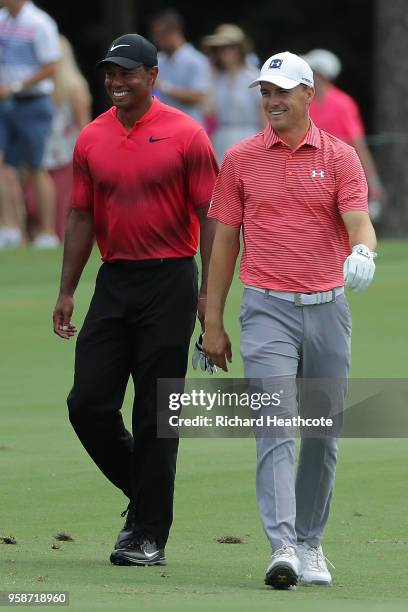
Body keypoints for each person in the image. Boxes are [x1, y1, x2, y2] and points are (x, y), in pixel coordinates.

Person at [202, 52, 377, 589]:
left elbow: (359, 223)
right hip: (265, 310)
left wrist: (364, 254)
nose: (272, 101)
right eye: (265, 92)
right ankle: (282, 546)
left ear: (308, 94)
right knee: (273, 426)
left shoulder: (341, 157)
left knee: (323, 432)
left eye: (282, 91)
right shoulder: (240, 158)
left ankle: (310, 542)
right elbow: (224, 243)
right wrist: (212, 321)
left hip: (327, 309)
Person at [52, 33, 218, 567]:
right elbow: (80, 215)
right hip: (114, 280)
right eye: (109, 74)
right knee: (88, 404)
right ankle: (147, 500)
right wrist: (67, 289)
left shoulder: (186, 135)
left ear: (153, 76)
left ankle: (147, 534)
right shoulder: (91, 137)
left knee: (155, 414)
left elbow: (211, 217)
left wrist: (209, 298)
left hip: (170, 280)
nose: (116, 82)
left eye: (127, 73)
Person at [0, 0, 60, 248]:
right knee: (3, 166)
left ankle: (47, 233)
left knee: (36, 166)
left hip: (33, 102)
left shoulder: (39, 22)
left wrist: (16, 86)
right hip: (5, 104)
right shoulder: (2, 20)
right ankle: (10, 229)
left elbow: (51, 67)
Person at [303, 48, 385, 221]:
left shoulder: (343, 104)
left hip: (337, 171)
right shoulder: (304, 103)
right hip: (308, 169)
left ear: (321, 75)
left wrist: (373, 181)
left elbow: (359, 145)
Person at [27, 35, 92, 240]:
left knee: (64, 208)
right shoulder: (39, 88)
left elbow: (84, 126)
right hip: (42, 153)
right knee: (33, 202)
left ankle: (62, 247)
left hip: (68, 155)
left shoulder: (75, 88)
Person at [201, 24, 264, 164]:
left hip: (250, 138)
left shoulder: (252, 76)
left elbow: (263, 116)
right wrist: (210, 74)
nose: (225, 53)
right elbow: (208, 111)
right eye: (220, 49)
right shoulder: (217, 79)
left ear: (240, 50)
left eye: (229, 48)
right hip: (222, 140)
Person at [150, 10, 210, 124]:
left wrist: (163, 86)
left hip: (189, 126)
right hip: (162, 125)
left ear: (174, 32)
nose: (156, 40)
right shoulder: (157, 59)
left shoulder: (197, 60)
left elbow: (198, 97)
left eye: (160, 34)